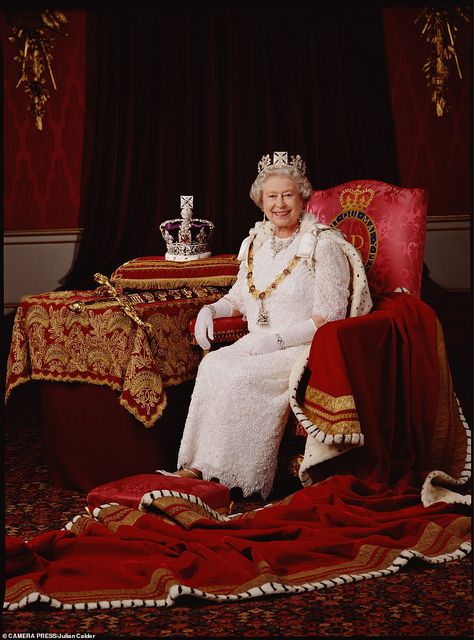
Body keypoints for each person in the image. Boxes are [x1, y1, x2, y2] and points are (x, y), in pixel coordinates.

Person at [159, 152, 372, 499]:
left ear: (302, 195)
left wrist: (275, 341)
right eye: (272, 196)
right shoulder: (256, 242)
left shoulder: (324, 244)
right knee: (213, 364)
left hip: (299, 348)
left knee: (239, 376)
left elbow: (330, 316)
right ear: (261, 200)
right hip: (256, 342)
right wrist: (210, 311)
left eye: (288, 194)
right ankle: (198, 466)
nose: (280, 204)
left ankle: (236, 479)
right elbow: (240, 297)